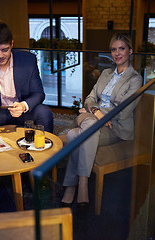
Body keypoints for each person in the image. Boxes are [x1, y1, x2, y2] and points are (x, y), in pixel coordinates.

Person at [61, 33, 143, 207]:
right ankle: (82, 183)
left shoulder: (135, 80)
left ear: (130, 51)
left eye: (122, 48)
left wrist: (95, 112)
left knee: (73, 135)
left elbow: (124, 111)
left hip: (116, 128)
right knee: (88, 125)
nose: (117, 53)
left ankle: (72, 184)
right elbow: (89, 98)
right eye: (114, 49)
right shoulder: (106, 73)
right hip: (96, 121)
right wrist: (96, 112)